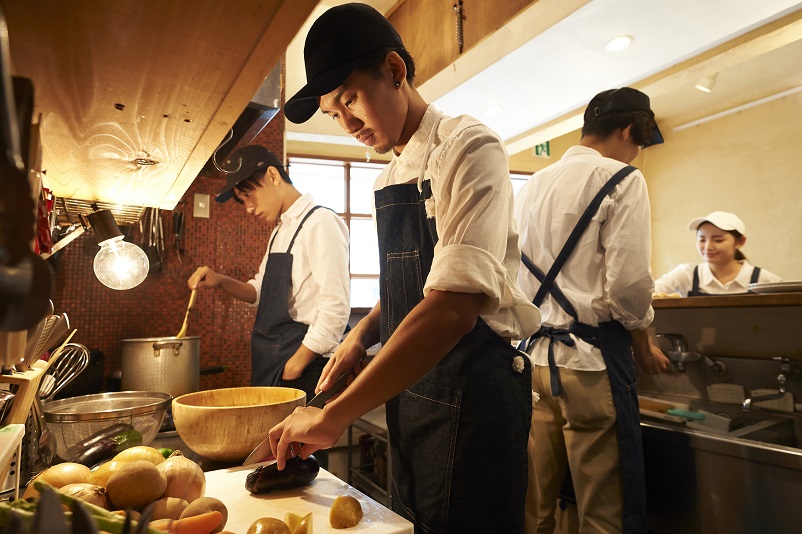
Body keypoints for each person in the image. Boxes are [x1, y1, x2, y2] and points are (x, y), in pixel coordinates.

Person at [268, 3, 541, 533]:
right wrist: (362, 334)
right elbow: (417, 288)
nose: (347, 123)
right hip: (414, 395)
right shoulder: (388, 177)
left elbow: (452, 310)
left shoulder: (468, 147)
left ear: (395, 71)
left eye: (350, 99)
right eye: (333, 113)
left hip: (475, 395)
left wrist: (335, 412)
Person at [514, 87, 671, 533]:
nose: (637, 154)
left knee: (536, 505)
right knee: (606, 512)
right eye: (639, 143)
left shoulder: (530, 187)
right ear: (627, 131)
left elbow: (513, 276)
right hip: (592, 364)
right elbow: (629, 286)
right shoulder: (623, 179)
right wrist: (643, 340)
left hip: (534, 363)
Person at [187, 144, 351, 404]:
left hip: (305, 366)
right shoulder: (280, 232)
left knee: (298, 445)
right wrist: (220, 280)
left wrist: (296, 366)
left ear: (273, 177)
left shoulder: (320, 222)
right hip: (277, 363)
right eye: (242, 201)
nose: (248, 207)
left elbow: (336, 307)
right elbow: (260, 292)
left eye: (248, 195)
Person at [654, 211, 782, 297]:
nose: (708, 246)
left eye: (718, 240)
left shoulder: (762, 280)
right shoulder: (686, 274)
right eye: (702, 239)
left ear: (740, 242)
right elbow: (647, 296)